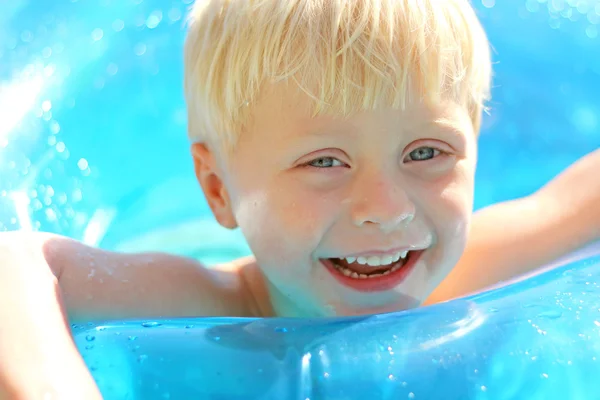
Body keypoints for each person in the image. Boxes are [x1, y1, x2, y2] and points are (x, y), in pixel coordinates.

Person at [1, 0, 599, 397]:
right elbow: (13, 264)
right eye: (324, 162)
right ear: (217, 189)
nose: (387, 208)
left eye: (425, 153)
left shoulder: (473, 269)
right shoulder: (216, 305)